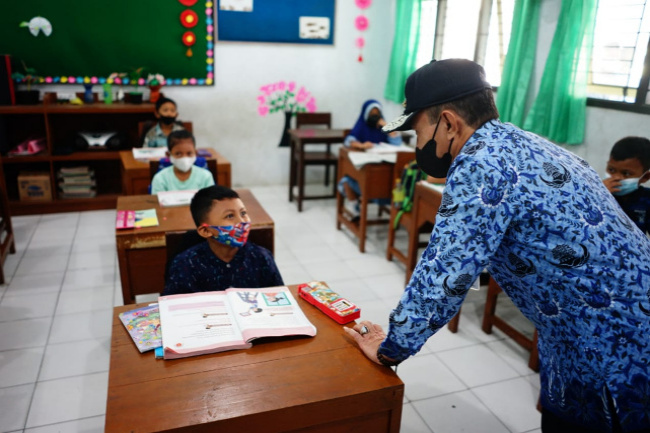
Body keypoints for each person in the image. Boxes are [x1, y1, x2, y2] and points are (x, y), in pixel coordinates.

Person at [343, 59, 650, 432]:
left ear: (449, 122)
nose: (419, 143)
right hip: (599, 328)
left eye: (418, 131)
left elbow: (445, 273)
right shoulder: (527, 143)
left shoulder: (480, 163)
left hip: (612, 345)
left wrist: (391, 347)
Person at [163, 185, 284, 295]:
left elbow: (279, 298)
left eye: (243, 213)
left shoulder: (261, 257)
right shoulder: (186, 265)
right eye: (230, 216)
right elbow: (170, 307)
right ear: (205, 231)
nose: (242, 221)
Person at [338, 99, 403, 219]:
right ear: (366, 114)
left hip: (382, 169)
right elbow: (349, 140)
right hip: (364, 170)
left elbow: (397, 142)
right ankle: (354, 206)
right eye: (371, 114)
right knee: (346, 181)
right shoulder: (361, 126)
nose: (374, 116)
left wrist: (386, 126)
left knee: (391, 180)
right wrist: (361, 145)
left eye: (377, 114)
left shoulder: (382, 128)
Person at [603, 136, 650, 235]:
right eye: (611, 170)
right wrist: (599, 195)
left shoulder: (647, 199)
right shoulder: (594, 192)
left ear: (645, 177)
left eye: (626, 173)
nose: (616, 177)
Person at [151, 130, 215, 194]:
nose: (184, 158)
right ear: (168, 155)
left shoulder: (206, 177)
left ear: (195, 153)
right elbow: (156, 203)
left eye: (189, 153)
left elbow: (211, 201)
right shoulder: (160, 179)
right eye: (178, 154)